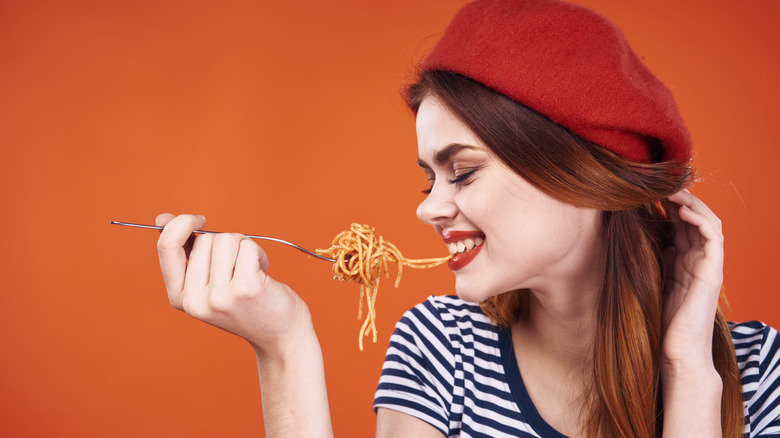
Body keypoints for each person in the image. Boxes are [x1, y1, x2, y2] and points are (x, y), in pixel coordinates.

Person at [154, 0, 780, 437]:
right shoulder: (441, 351)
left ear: (582, 176)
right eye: (429, 178)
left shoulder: (761, 373)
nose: (428, 208)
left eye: (465, 171)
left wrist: (690, 376)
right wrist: (285, 347)